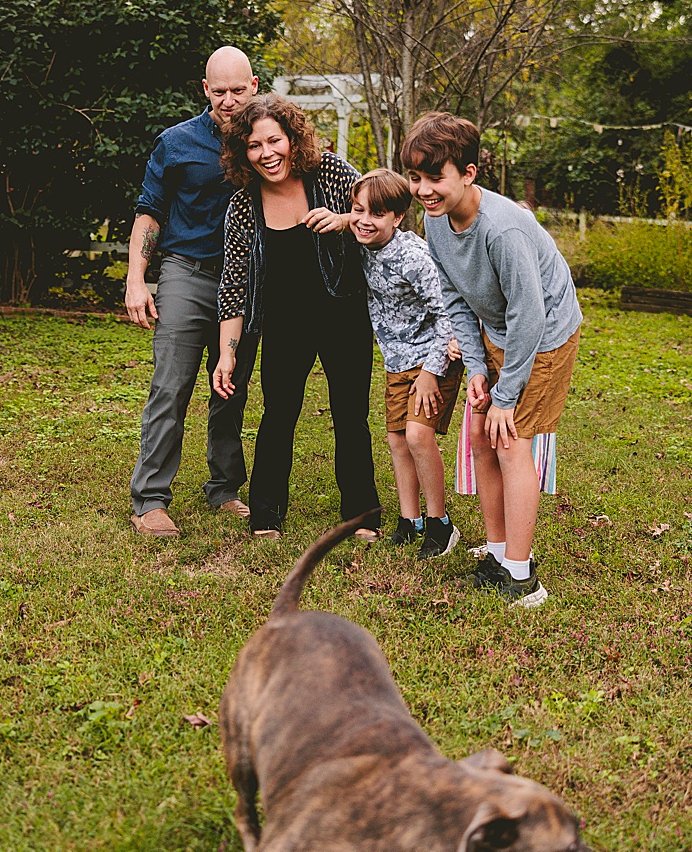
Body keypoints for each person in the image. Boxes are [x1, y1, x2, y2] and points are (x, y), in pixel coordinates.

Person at [403, 112, 583, 607]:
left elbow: (530, 316)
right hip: (498, 333)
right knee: (480, 437)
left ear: (468, 172)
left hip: (544, 337)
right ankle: (499, 554)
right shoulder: (436, 222)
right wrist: (480, 370)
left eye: (434, 177)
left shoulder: (502, 231)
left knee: (509, 441)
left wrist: (505, 396)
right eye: (416, 178)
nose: (423, 190)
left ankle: (523, 578)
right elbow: (453, 295)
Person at [211, 94, 380, 537]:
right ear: (241, 153)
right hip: (285, 323)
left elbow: (381, 216)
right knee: (278, 413)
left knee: (351, 414)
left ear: (292, 138)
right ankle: (266, 514)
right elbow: (234, 284)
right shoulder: (244, 206)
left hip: (344, 315)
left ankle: (362, 514)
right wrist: (228, 354)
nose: (267, 154)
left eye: (274, 140)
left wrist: (346, 219)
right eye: (253, 146)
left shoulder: (331, 172)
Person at [126, 47, 261, 538]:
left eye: (238, 90)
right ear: (206, 90)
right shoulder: (175, 142)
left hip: (244, 280)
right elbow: (150, 212)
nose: (228, 101)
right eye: (219, 91)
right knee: (172, 383)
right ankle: (150, 500)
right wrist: (136, 279)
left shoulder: (266, 141)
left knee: (231, 388)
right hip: (186, 272)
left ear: (254, 85)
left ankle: (224, 489)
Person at [345, 169, 464, 558]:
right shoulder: (365, 240)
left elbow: (448, 314)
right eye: (357, 210)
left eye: (377, 213)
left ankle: (440, 524)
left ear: (397, 217)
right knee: (397, 440)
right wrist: (346, 219)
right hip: (397, 360)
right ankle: (409, 520)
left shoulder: (413, 257)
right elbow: (353, 221)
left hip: (435, 356)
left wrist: (432, 372)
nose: (364, 219)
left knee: (417, 436)